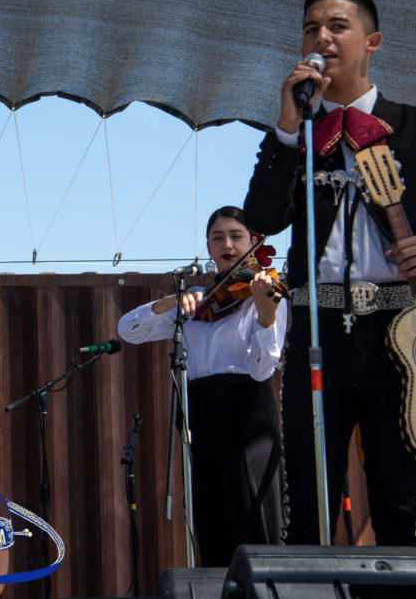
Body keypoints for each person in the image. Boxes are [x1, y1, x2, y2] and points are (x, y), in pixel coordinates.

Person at [243, 0, 416, 546]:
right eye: (310, 29)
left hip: (400, 333)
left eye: (336, 26)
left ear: (372, 41)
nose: (320, 38)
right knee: (308, 505)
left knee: (400, 506)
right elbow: (262, 216)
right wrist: (284, 128)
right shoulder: (297, 135)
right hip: (317, 331)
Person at [118, 206, 287, 567]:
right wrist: (168, 303)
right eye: (217, 237)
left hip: (247, 407)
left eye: (236, 236)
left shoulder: (267, 288)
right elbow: (127, 331)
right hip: (200, 408)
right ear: (208, 247)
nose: (227, 244)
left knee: (251, 511)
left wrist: (266, 315)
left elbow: (262, 369)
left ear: (255, 242)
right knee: (209, 515)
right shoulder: (197, 299)